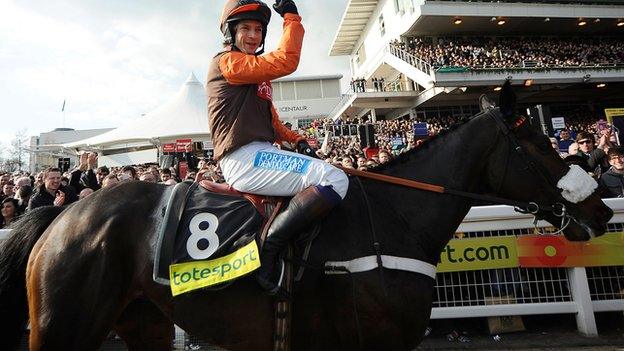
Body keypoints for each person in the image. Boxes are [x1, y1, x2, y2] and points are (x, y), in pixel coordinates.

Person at [207, 0, 348, 294]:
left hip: (261, 154)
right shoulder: (228, 62)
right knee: (334, 179)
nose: (253, 35)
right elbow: (287, 60)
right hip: (245, 159)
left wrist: (297, 140)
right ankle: (268, 249)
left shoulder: (255, 75)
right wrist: (292, 19)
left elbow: (272, 123)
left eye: (258, 29)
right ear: (230, 33)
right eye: (245, 28)